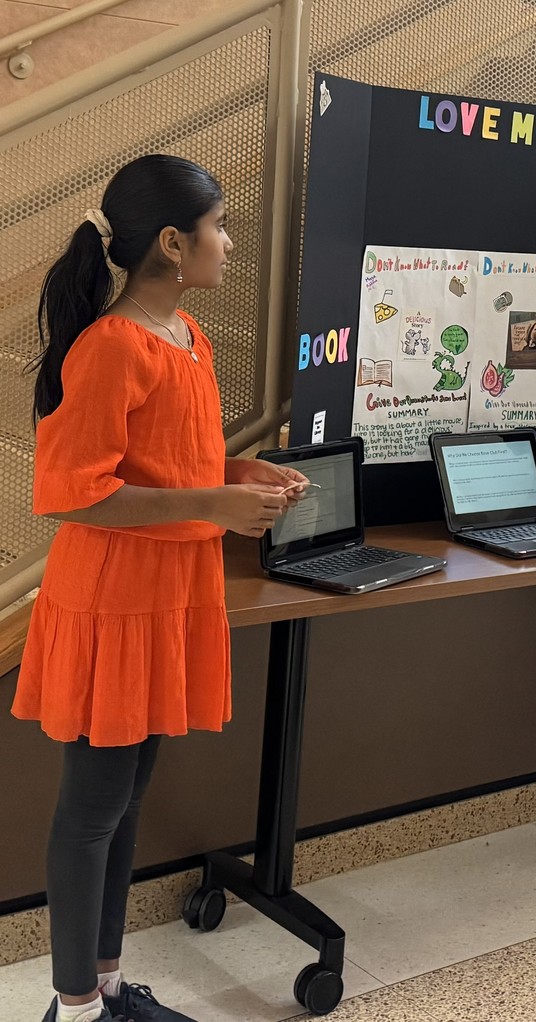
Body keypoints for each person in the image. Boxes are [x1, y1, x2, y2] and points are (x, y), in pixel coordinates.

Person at [12, 155, 309, 1022]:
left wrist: (237, 473)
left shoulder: (187, 337)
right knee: (91, 810)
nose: (228, 241)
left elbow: (171, 465)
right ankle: (77, 1008)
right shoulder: (111, 348)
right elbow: (76, 492)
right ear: (173, 244)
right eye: (218, 226)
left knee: (126, 798)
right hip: (112, 602)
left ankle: (105, 988)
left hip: (168, 592)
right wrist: (215, 500)